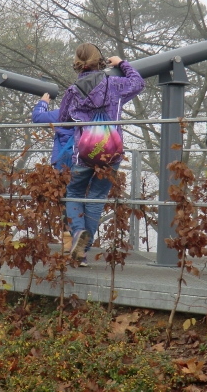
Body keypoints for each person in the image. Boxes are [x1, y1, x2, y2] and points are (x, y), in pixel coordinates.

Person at [59, 43, 144, 266]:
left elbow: (63, 121)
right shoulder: (114, 84)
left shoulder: (72, 91)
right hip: (110, 153)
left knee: (74, 192)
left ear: (78, 63)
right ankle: (82, 248)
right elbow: (138, 83)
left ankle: (78, 234)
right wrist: (122, 64)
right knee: (96, 196)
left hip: (83, 154)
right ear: (100, 60)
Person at [32, 93, 74, 171]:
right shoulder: (94, 115)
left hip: (63, 163)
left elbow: (37, 116)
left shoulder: (63, 114)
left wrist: (44, 102)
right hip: (89, 160)